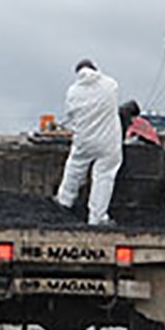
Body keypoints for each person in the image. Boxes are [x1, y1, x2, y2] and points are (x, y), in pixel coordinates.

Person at [56, 59, 123, 226]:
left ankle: (64, 201)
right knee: (104, 176)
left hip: (84, 140)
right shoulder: (110, 85)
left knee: (74, 168)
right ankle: (96, 218)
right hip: (107, 142)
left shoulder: (72, 92)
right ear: (95, 68)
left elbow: (71, 116)